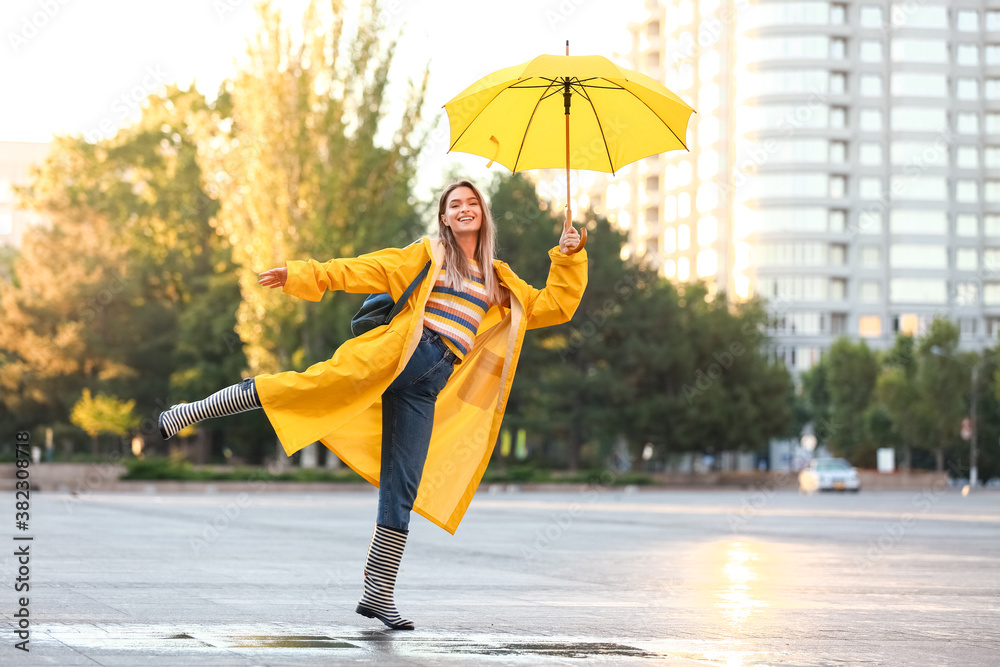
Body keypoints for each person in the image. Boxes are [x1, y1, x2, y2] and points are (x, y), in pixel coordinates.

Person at [158, 180, 588, 630]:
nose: (464, 209)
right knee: (305, 388)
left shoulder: (499, 278)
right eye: (454, 204)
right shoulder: (428, 254)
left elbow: (552, 306)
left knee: (403, 483)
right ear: (443, 217)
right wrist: (303, 275)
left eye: (471, 203)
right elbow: (362, 270)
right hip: (395, 356)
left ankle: (378, 594)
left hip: (427, 385)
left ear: (483, 213)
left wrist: (569, 256)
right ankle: (195, 410)